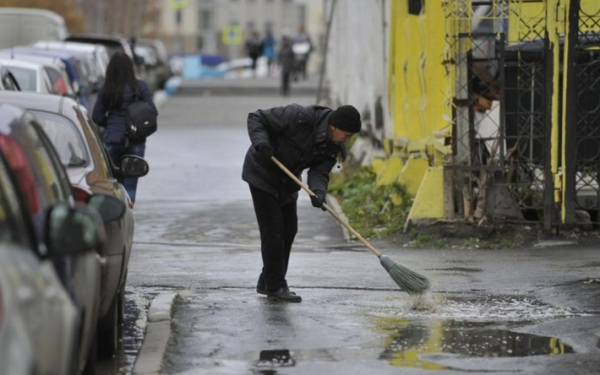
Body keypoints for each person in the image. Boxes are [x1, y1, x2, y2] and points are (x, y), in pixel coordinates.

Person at [242, 104, 362, 302]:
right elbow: (256, 118)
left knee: (289, 229)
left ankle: (267, 279)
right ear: (334, 126)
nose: (348, 140)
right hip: (262, 173)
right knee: (273, 231)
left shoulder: (332, 147)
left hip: (288, 182)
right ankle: (276, 286)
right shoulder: (300, 116)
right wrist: (261, 144)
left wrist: (318, 192)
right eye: (347, 134)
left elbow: (319, 172)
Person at [92, 52, 157, 208]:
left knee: (113, 181)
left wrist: (112, 123)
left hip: (113, 140)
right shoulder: (140, 87)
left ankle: (114, 210)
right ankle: (127, 210)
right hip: (136, 139)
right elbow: (152, 111)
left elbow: (96, 116)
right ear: (130, 68)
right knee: (131, 180)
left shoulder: (106, 88)